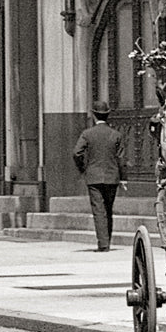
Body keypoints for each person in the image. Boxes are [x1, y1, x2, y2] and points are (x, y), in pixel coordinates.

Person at [72, 100, 127, 252]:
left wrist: (83, 168)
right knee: (108, 209)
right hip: (112, 176)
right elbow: (121, 158)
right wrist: (123, 178)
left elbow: (76, 153)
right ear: (107, 115)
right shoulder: (116, 134)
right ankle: (107, 239)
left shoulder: (87, 134)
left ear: (94, 115)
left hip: (93, 177)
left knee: (98, 210)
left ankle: (103, 244)